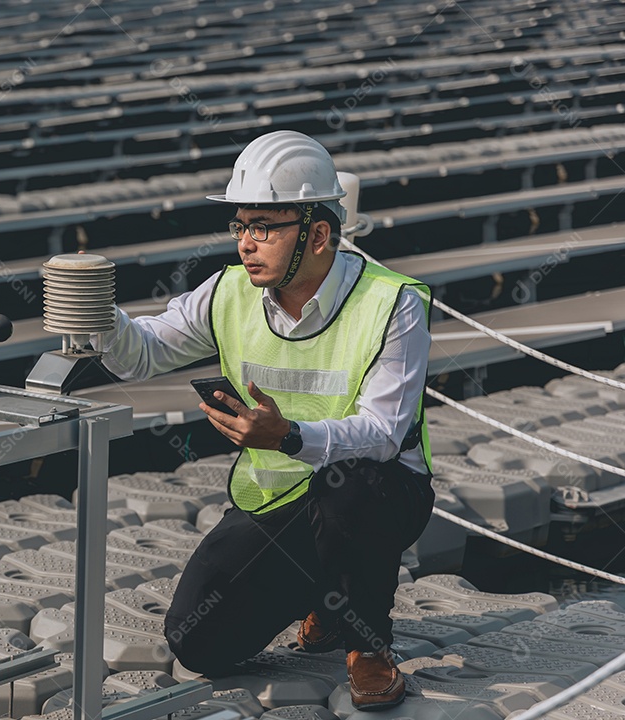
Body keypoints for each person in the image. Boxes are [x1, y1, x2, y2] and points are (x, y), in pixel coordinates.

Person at [94, 130, 435, 710]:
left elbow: (382, 434)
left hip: (378, 493)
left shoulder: (392, 303)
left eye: (264, 228)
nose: (245, 244)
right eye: (241, 227)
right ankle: (326, 596)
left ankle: (367, 645)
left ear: (319, 233)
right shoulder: (228, 292)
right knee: (198, 641)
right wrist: (91, 309)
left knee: (349, 484)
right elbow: (142, 353)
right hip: (278, 501)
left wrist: (289, 437)